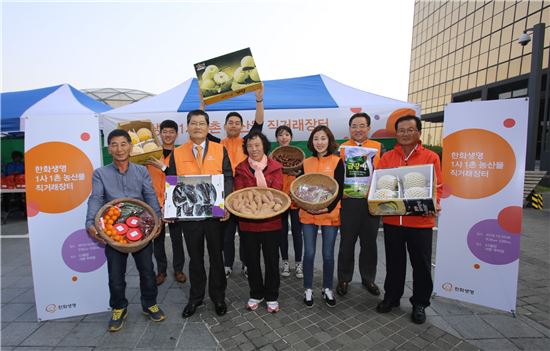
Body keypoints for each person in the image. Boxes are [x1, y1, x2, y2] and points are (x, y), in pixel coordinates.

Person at [85, 129, 165, 332]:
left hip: (141, 230)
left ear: (130, 146)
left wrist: (157, 220)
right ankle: (119, 307)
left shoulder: (141, 171)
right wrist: (90, 222)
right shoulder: (100, 174)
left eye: (123, 144)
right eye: (114, 144)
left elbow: (150, 195)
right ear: (109, 148)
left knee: (147, 271)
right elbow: (96, 198)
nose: (119, 149)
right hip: (114, 232)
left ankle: (149, 304)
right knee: (115, 274)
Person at [165, 109, 233, 318]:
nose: (197, 127)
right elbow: (172, 180)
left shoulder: (220, 149)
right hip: (189, 214)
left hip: (214, 212)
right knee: (195, 258)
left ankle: (218, 297)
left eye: (201, 123)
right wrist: (171, 207)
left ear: (207, 127)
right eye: (193, 123)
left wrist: (226, 204)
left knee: (216, 257)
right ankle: (195, 298)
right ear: (187, 127)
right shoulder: (177, 152)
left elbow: (228, 176)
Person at [375, 115, 442, 325]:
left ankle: (420, 303)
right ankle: (392, 297)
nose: (405, 134)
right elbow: (379, 184)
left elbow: (438, 187)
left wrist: (435, 202)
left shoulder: (430, 157)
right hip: (393, 220)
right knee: (394, 263)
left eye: (410, 130)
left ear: (418, 132)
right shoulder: (387, 158)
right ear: (396, 133)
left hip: (420, 222)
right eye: (401, 130)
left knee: (421, 264)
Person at [218, 85, 265, 279]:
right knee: (225, 234)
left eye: (238, 123)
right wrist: (202, 106)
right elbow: (199, 131)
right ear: (225, 125)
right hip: (224, 195)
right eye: (231, 122)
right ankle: (227, 264)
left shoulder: (247, 142)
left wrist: (259, 100)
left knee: (246, 234)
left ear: (241, 126)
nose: (234, 125)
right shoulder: (216, 143)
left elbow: (259, 124)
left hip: (246, 194)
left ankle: (247, 263)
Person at [234, 131, 283, 313]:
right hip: (248, 223)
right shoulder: (241, 168)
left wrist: (262, 199)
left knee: (271, 260)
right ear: (246, 148)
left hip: (271, 222)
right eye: (250, 146)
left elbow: (278, 191)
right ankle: (256, 293)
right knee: (251, 260)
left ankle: (272, 296)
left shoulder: (275, 167)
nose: (253, 149)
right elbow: (240, 193)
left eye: (257, 145)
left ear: (264, 146)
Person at [336, 112, 383, 297]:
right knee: (347, 243)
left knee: (369, 243)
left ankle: (368, 278)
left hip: (371, 203)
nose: (358, 129)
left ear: (369, 128)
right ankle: (344, 278)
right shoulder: (341, 149)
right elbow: (336, 175)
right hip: (349, 203)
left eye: (362, 125)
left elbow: (384, 173)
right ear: (349, 129)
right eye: (354, 126)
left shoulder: (379, 148)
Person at [299, 126, 344, 308]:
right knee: (309, 253)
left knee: (327, 255)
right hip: (308, 214)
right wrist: (308, 205)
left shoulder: (337, 161)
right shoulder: (306, 162)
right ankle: (308, 289)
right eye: (316, 138)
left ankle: (327, 288)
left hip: (330, 215)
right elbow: (300, 188)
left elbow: (339, 189)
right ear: (312, 141)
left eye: (323, 138)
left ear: (329, 140)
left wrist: (326, 209)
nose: (319, 142)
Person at [145, 120, 187, 286]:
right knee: (158, 239)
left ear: (177, 134)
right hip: (154, 202)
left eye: (171, 132)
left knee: (177, 238)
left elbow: (180, 180)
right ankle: (161, 271)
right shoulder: (150, 154)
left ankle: (178, 269)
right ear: (159, 133)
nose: (168, 135)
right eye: (165, 132)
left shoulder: (181, 155)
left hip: (174, 202)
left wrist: (163, 167)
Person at [274, 125, 303, 279]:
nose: (284, 137)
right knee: (282, 233)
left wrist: (298, 173)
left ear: (291, 137)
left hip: (296, 200)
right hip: (280, 200)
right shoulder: (273, 157)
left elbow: (305, 176)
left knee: (298, 233)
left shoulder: (298, 156)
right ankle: (285, 262)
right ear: (277, 138)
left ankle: (298, 263)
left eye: (286, 134)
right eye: (280, 135)